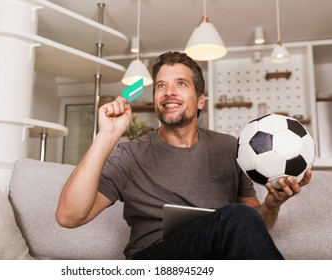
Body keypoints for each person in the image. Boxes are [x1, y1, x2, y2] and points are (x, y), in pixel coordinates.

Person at [56, 51, 311, 260]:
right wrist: (107, 136)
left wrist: (271, 205)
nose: (169, 92)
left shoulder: (230, 148)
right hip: (152, 261)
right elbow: (69, 216)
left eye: (181, 83)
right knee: (236, 217)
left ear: (200, 100)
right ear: (155, 98)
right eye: (161, 86)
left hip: (213, 263)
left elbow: (251, 230)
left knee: (239, 219)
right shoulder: (130, 155)